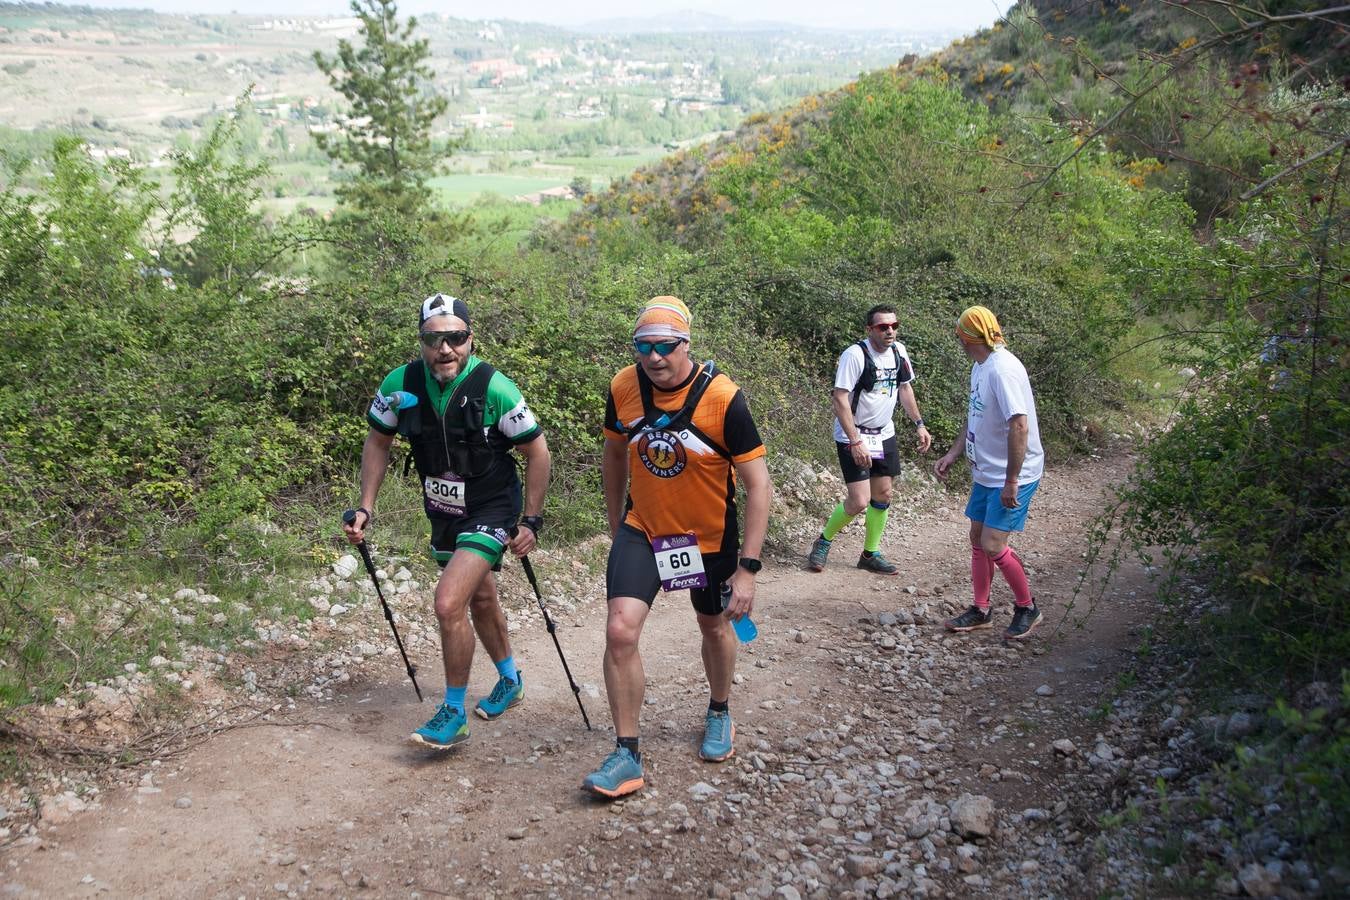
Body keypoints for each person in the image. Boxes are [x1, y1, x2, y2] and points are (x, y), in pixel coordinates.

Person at [582, 296, 773, 799]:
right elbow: (613, 450)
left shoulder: (724, 399)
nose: (654, 357)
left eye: (665, 346)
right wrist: (614, 518)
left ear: (686, 344)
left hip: (707, 539)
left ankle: (718, 711)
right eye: (643, 347)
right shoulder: (624, 387)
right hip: (644, 530)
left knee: (712, 623)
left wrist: (748, 569)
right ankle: (627, 753)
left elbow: (759, 486)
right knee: (619, 631)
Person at [342, 293, 551, 748]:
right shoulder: (399, 384)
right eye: (434, 339)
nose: (446, 349)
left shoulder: (496, 388)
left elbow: (537, 452)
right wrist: (366, 506)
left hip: (492, 506)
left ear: (471, 339)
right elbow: (378, 442)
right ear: (421, 341)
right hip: (443, 509)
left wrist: (531, 520)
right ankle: (511, 680)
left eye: (456, 338)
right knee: (479, 597)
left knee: (447, 602)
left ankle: (453, 712)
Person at [933, 305, 1044, 640]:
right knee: (977, 539)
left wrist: (1012, 480)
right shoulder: (980, 367)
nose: (959, 341)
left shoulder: (1002, 370)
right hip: (985, 471)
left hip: (1013, 475)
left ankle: (1028, 607)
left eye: (960, 335)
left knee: (993, 543)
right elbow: (976, 414)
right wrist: (954, 453)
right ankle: (981, 609)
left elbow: (1020, 425)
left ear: (969, 337)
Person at [807, 304, 932, 575]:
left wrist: (919, 424)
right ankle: (823, 541)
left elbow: (905, 388)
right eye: (883, 327)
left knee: (883, 494)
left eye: (894, 326)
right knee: (859, 500)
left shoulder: (899, 352)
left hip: (884, 432)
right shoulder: (855, 355)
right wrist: (854, 441)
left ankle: (870, 553)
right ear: (870, 329)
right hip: (854, 434)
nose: (890, 331)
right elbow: (839, 398)